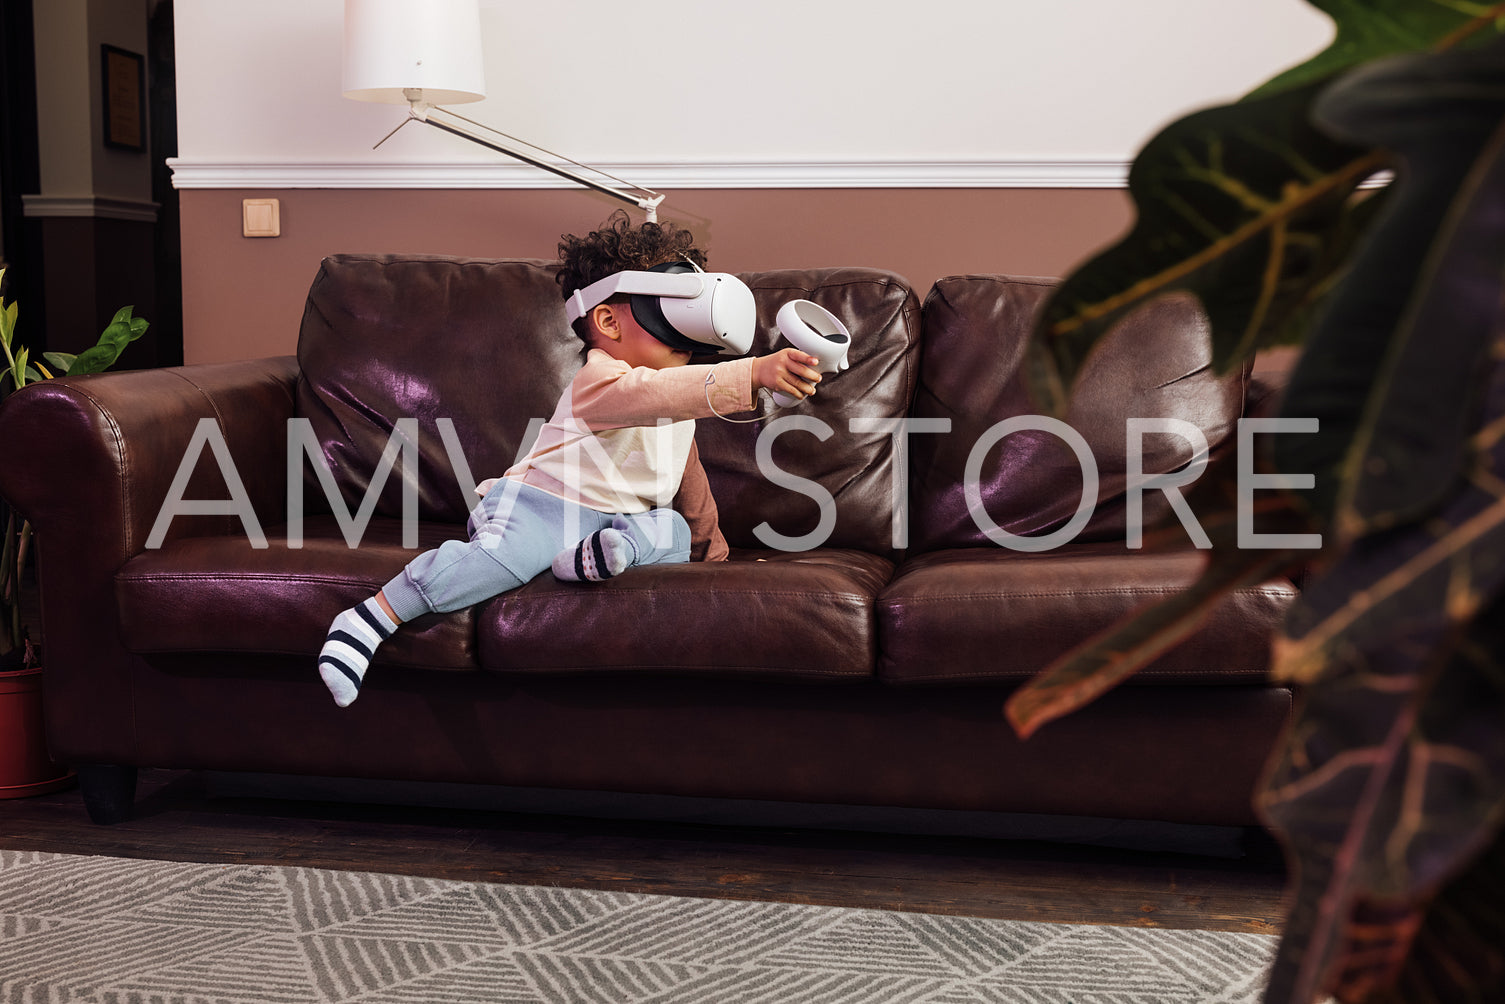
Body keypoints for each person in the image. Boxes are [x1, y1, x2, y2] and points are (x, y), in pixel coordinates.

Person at [318, 212, 823, 707]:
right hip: (541, 507)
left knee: (671, 531)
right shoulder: (599, 383)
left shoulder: (675, 403)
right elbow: (647, 394)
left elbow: (690, 486)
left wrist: (717, 561)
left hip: (618, 522)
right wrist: (752, 372)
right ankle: (372, 618)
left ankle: (593, 557)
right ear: (607, 321)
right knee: (504, 558)